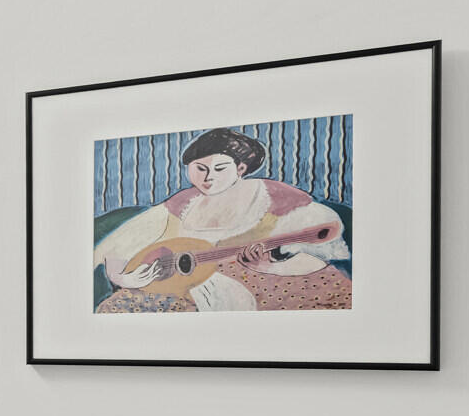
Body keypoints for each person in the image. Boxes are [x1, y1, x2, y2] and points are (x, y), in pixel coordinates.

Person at [95, 127, 350, 313]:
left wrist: (273, 260)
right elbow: (120, 244)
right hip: (185, 285)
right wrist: (124, 277)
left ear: (240, 168)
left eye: (219, 169)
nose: (208, 178)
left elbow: (325, 239)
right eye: (200, 169)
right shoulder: (182, 203)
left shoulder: (274, 196)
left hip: (270, 281)